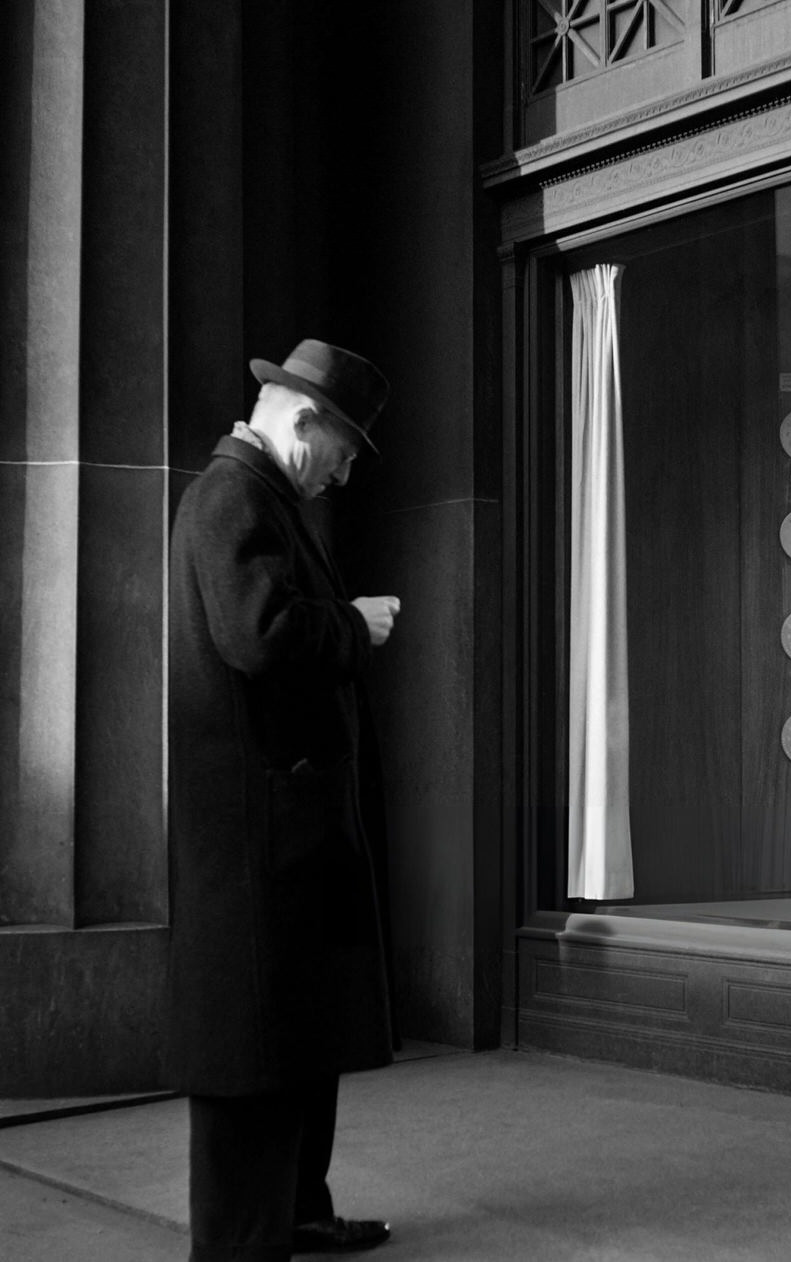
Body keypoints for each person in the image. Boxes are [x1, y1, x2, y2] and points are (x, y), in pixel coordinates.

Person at [168, 338, 401, 1259]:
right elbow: (257, 634)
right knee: (256, 1055)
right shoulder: (233, 493)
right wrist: (353, 624)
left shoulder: (256, 493)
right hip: (259, 836)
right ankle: (240, 1243)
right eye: (341, 453)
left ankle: (296, 1211)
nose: (341, 476)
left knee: (296, 1040)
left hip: (282, 829)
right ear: (303, 421)